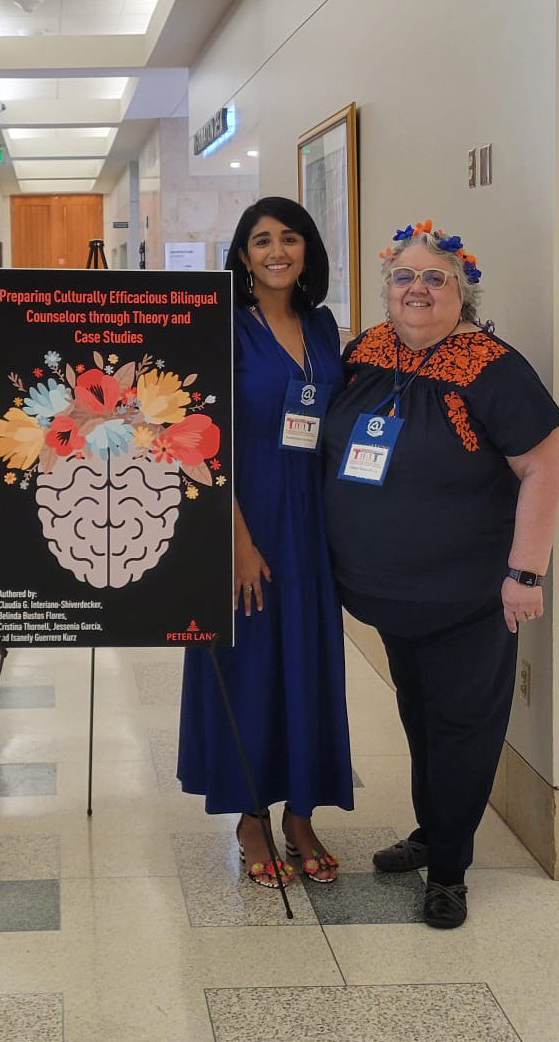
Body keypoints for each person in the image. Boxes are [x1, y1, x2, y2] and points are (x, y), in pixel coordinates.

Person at [322, 220, 559, 928]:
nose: (418, 290)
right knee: (420, 718)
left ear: (463, 291)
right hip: (387, 593)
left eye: (436, 278)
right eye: (404, 277)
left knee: (462, 724)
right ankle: (434, 831)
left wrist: (526, 572)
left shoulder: (492, 366)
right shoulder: (366, 351)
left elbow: (545, 464)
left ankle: (451, 869)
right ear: (386, 288)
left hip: (465, 595)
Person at [178, 197, 354, 889]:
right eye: (261, 240)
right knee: (249, 670)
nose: (276, 250)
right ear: (242, 255)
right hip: (245, 521)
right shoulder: (222, 327)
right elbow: (198, 443)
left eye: (289, 238)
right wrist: (236, 542)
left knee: (308, 666)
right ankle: (251, 816)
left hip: (311, 526)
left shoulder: (322, 325)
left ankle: (301, 812)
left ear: (307, 249)